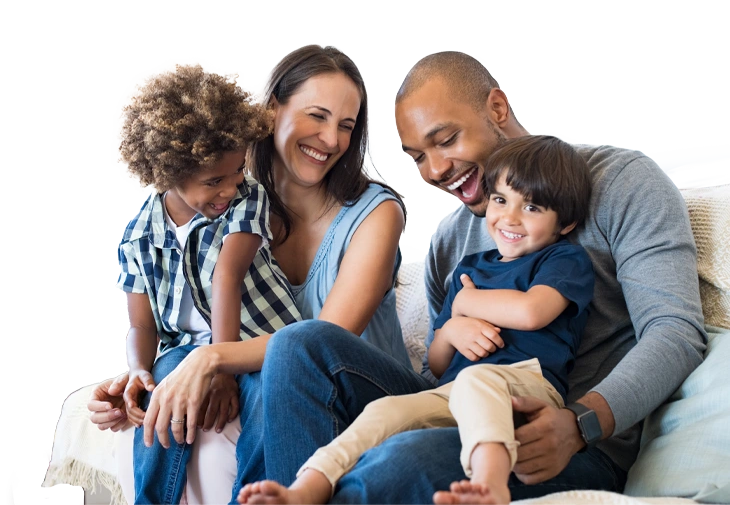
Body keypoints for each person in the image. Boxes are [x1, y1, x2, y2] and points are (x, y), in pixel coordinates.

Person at [255, 50, 706, 504]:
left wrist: (581, 423)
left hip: (562, 438)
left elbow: (675, 332)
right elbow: (441, 371)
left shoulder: (619, 182)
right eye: (417, 158)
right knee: (299, 344)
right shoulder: (451, 244)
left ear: (496, 108)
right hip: (462, 407)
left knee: (398, 462)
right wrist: (452, 330)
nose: (434, 171)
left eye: (446, 139)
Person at [87, 45, 418, 505]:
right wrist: (141, 377)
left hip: (360, 393)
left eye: (346, 126)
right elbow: (169, 314)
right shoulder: (225, 204)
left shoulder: (374, 215)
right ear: (270, 111)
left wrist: (212, 359)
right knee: (175, 389)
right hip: (274, 379)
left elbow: (324, 340)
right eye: (317, 116)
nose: (331, 140)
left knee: (280, 366)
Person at [238, 135, 594, 505]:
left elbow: (531, 312)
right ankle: (306, 488)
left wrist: (467, 303)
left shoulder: (562, 260)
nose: (510, 218)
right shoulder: (470, 268)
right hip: (452, 392)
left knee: (477, 378)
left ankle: (491, 484)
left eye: (532, 208)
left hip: (527, 388)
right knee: (384, 411)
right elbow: (438, 364)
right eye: (501, 200)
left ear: (565, 223)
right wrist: (453, 326)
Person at [115, 62, 302, 505]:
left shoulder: (246, 198)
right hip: (185, 350)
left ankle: (255, 497)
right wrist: (138, 371)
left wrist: (220, 367)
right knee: (162, 389)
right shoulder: (139, 236)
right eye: (213, 181)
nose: (230, 187)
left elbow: (226, 277)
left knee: (265, 401)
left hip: (261, 341)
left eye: (237, 171)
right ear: (168, 173)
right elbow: (142, 326)